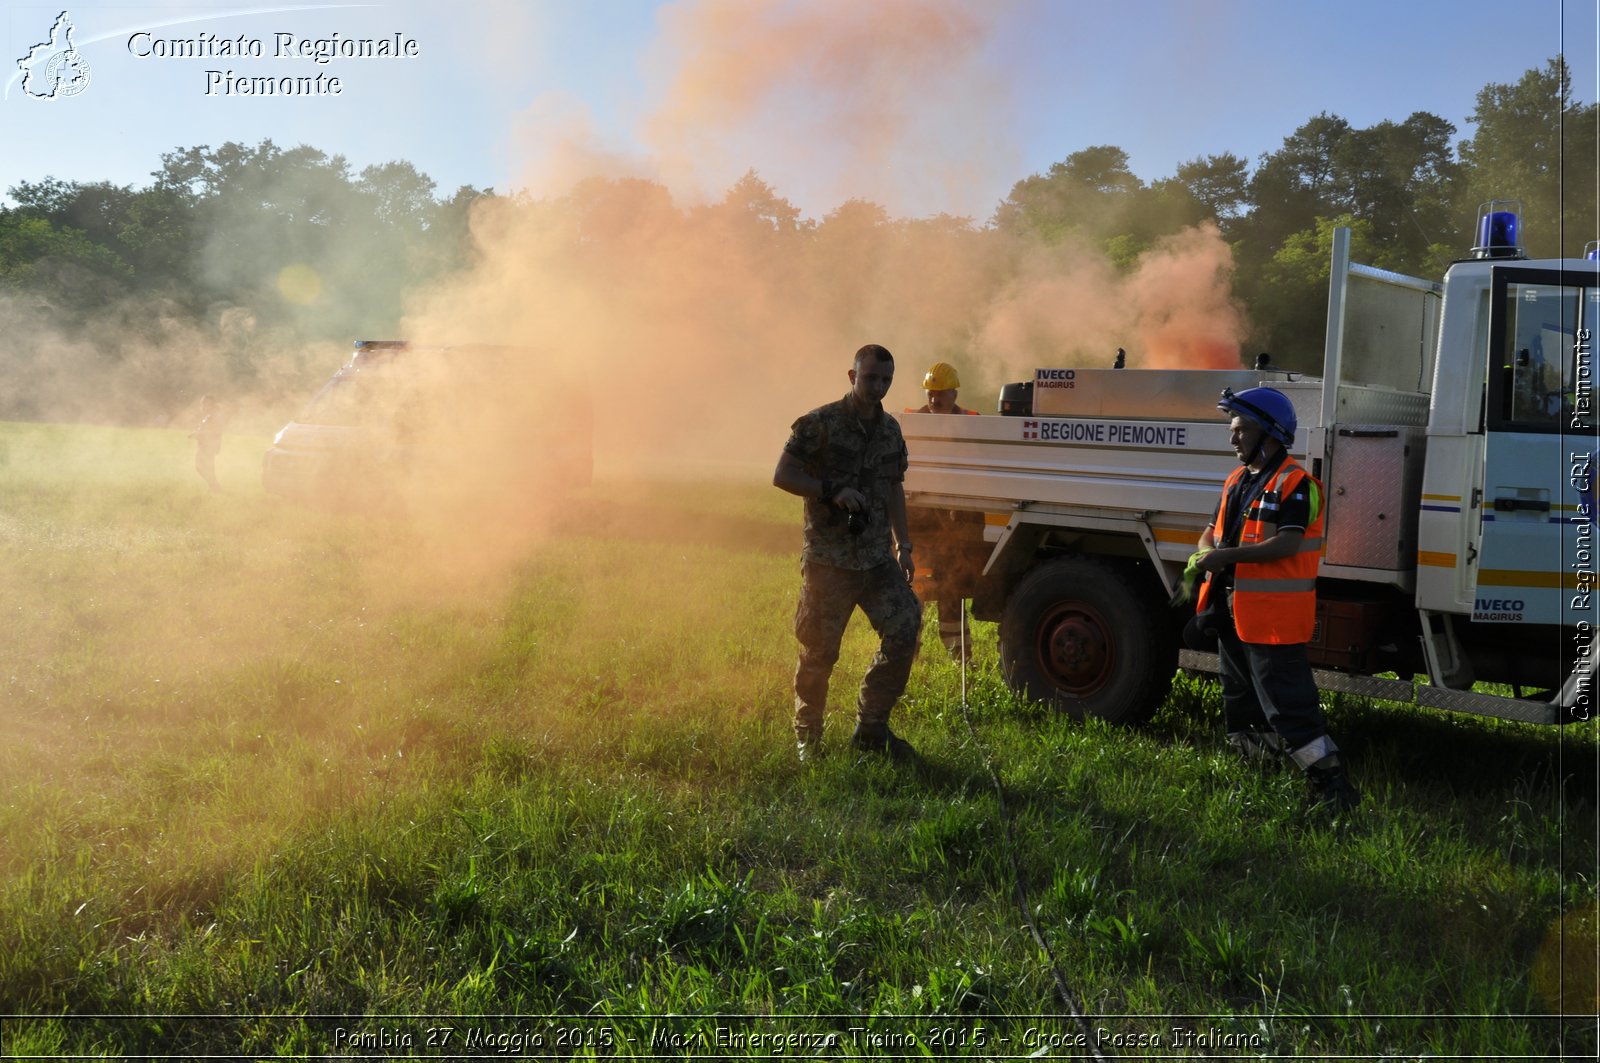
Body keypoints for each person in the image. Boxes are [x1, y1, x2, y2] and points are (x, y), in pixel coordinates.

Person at [1192, 386, 1360, 813]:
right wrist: (1205, 550)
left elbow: (1287, 545)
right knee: (1239, 696)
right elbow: (1211, 530)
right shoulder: (1237, 480)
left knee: (1290, 707)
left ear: (1268, 433)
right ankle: (1256, 776)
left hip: (1273, 619)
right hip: (1233, 612)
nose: (1233, 439)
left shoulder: (1297, 485)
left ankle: (1333, 792)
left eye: (1240, 430)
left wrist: (1225, 555)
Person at [774, 343, 921, 762]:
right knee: (819, 651)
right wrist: (832, 491)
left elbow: (894, 487)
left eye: (886, 380)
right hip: (829, 561)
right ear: (852, 376)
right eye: (871, 378)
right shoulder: (819, 424)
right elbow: (782, 474)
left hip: (876, 560)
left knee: (905, 626)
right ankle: (809, 736)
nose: (878, 387)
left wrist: (903, 545)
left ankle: (871, 728)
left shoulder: (890, 430)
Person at [909, 361, 979, 660]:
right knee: (913, 592)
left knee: (952, 591)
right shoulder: (912, 421)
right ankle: (904, 657)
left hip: (956, 525)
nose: (934, 399)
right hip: (919, 524)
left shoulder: (972, 421)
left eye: (940, 393)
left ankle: (961, 657)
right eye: (930, 393)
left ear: (954, 393)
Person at [189, 395, 229, 492]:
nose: (202, 405)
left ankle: (215, 487)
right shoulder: (210, 415)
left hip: (209, 445)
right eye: (201, 403)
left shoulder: (215, 415)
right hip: (206, 444)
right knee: (205, 467)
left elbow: (214, 430)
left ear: (211, 404)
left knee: (203, 466)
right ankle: (214, 487)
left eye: (205, 403)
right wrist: (196, 433)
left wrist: (198, 434)